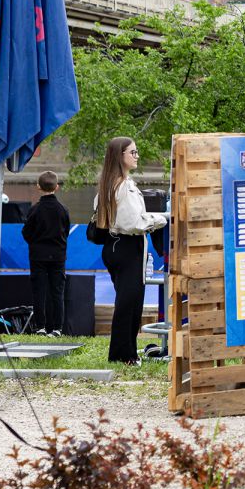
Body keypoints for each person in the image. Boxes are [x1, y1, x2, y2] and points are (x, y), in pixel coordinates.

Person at [94, 138, 166, 364]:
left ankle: (128, 353)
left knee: (130, 303)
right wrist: (161, 219)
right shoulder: (123, 186)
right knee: (129, 304)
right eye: (133, 152)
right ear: (120, 155)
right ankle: (122, 355)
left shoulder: (110, 184)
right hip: (127, 246)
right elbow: (134, 222)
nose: (137, 156)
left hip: (118, 246)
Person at [21, 171, 70, 336]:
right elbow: (66, 231)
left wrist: (35, 243)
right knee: (57, 292)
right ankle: (57, 328)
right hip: (58, 256)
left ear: (38, 187)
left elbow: (26, 232)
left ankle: (40, 327)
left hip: (38, 256)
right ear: (57, 187)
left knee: (39, 292)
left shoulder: (34, 210)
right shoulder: (63, 209)